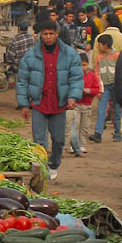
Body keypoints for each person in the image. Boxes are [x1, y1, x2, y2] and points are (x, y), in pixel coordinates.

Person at [16, 19, 83, 182]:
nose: (48, 37)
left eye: (51, 34)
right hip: (39, 104)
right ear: (40, 35)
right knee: (39, 141)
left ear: (57, 34)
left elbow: (76, 77)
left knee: (59, 140)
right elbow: (22, 81)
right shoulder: (31, 55)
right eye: (45, 34)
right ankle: (42, 170)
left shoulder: (69, 54)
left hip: (59, 104)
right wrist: (24, 104)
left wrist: (73, 96)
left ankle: (54, 163)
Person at [65, 52, 100, 156]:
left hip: (87, 105)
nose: (82, 67)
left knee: (84, 127)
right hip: (76, 105)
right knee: (74, 126)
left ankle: (82, 145)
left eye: (84, 65)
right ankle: (73, 146)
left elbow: (96, 89)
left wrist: (88, 91)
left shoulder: (92, 76)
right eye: (80, 65)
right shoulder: (73, 76)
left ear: (88, 64)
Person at [89, 34, 121, 143]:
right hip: (105, 86)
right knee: (101, 109)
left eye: (99, 45)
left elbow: (120, 72)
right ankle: (98, 133)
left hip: (116, 86)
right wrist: (100, 88)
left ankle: (118, 133)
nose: (98, 47)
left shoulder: (117, 55)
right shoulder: (99, 57)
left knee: (116, 110)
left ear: (105, 45)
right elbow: (97, 72)